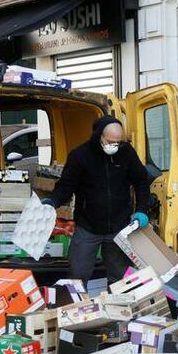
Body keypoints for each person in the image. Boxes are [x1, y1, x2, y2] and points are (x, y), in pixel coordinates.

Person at [44, 116, 151, 284]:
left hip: (118, 227)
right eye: (110, 141)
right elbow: (66, 185)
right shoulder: (80, 155)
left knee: (120, 279)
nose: (114, 146)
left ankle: (118, 308)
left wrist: (142, 210)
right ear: (98, 135)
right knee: (77, 276)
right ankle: (77, 308)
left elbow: (141, 181)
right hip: (88, 227)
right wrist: (52, 202)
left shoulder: (126, 152)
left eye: (118, 142)